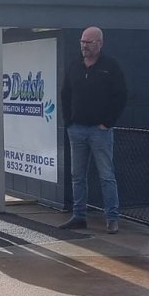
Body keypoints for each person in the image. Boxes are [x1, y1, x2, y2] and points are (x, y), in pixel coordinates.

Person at [58, 26, 128, 233]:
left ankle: (112, 218)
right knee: (77, 176)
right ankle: (79, 216)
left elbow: (121, 96)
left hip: (100, 131)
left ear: (100, 43)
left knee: (106, 176)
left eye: (89, 42)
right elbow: (65, 94)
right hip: (76, 129)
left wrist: (107, 122)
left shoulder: (111, 66)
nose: (84, 46)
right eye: (82, 41)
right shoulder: (75, 66)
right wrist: (68, 121)